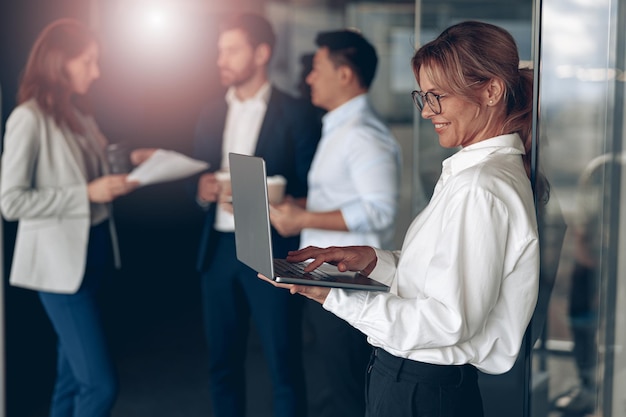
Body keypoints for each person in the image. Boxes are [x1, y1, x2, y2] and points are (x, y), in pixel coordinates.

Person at [259, 20, 541, 417]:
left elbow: (447, 321)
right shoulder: (473, 175)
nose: (427, 112)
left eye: (437, 96)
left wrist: (336, 296)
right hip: (415, 383)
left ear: (492, 90)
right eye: (423, 97)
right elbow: (441, 278)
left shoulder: (481, 186)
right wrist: (375, 260)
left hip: (424, 390)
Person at [0, 18, 150, 417]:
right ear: (59, 62)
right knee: (100, 386)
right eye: (88, 62)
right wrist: (84, 194)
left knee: (70, 382)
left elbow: (101, 162)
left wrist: (137, 159)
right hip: (60, 271)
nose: (96, 72)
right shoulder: (27, 118)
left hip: (94, 258)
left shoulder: (78, 113)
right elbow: (11, 202)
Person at [191, 12, 320, 417]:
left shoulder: (298, 113)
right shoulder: (210, 112)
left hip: (271, 247)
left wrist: (276, 197)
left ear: (261, 53)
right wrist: (200, 190)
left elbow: (310, 187)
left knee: (284, 362)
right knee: (221, 362)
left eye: (231, 50)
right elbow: (196, 174)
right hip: (218, 252)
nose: (220, 59)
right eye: (219, 50)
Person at [269, 29, 401, 417]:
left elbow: (380, 210)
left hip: (348, 283)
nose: (309, 77)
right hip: (329, 279)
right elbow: (343, 199)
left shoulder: (362, 134)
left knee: (348, 393)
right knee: (339, 383)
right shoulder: (339, 128)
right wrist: (295, 204)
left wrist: (303, 218)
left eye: (317, 67)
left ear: (344, 75)